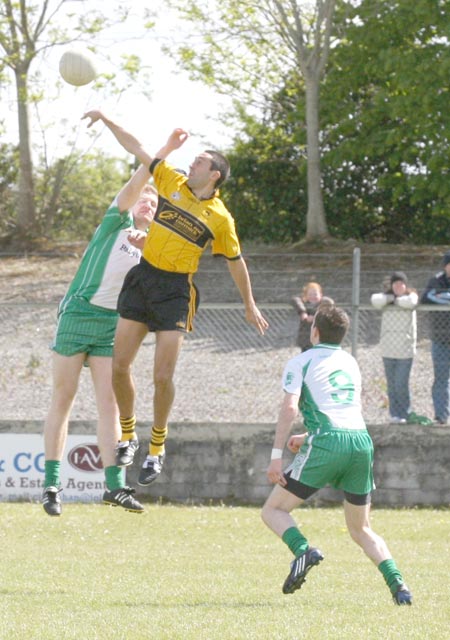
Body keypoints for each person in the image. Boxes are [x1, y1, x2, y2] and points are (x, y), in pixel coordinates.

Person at [82, 110, 269, 487]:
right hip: (142, 278)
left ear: (214, 174)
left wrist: (250, 303)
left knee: (162, 375)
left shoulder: (220, 218)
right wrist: (106, 119)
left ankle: (157, 446)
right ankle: (130, 436)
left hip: (175, 291)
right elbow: (136, 146)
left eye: (199, 160)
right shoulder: (171, 180)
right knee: (119, 366)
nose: (192, 161)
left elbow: (236, 262)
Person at [261, 302, 412, 605]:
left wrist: (276, 455)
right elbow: (342, 411)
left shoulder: (301, 361)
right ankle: (399, 587)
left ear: (314, 331)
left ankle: (303, 550)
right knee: (361, 529)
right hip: (360, 442)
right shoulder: (351, 362)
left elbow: (290, 408)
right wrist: (305, 438)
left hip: (328, 443)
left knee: (273, 511)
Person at [42, 164, 158, 516]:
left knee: (111, 403)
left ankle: (116, 486)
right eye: (143, 199)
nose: (147, 204)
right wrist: (156, 160)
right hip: (79, 313)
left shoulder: (154, 251)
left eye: (154, 204)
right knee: (64, 396)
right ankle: (51, 484)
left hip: (113, 324)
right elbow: (140, 177)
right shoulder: (116, 223)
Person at [371, 271, 418, 424]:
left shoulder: (411, 297)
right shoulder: (385, 298)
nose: (398, 286)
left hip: (405, 350)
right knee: (391, 385)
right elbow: (375, 300)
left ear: (406, 285)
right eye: (395, 284)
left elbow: (411, 302)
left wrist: (395, 301)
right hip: (388, 349)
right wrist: (392, 298)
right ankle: (395, 415)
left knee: (401, 384)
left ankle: (405, 413)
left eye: (401, 283)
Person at [420, 250, 450, 425]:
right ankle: (441, 416)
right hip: (441, 339)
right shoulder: (435, 281)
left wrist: (443, 298)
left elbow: (435, 298)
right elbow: (426, 299)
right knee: (441, 379)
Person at [291, 282, 323, 351]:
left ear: (320, 295)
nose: (313, 296)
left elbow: (329, 301)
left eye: (315, 294)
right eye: (310, 294)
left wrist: (314, 316)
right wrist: (302, 312)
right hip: (306, 341)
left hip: (320, 340)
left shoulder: (322, 304)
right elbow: (295, 299)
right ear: (305, 296)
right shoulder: (304, 304)